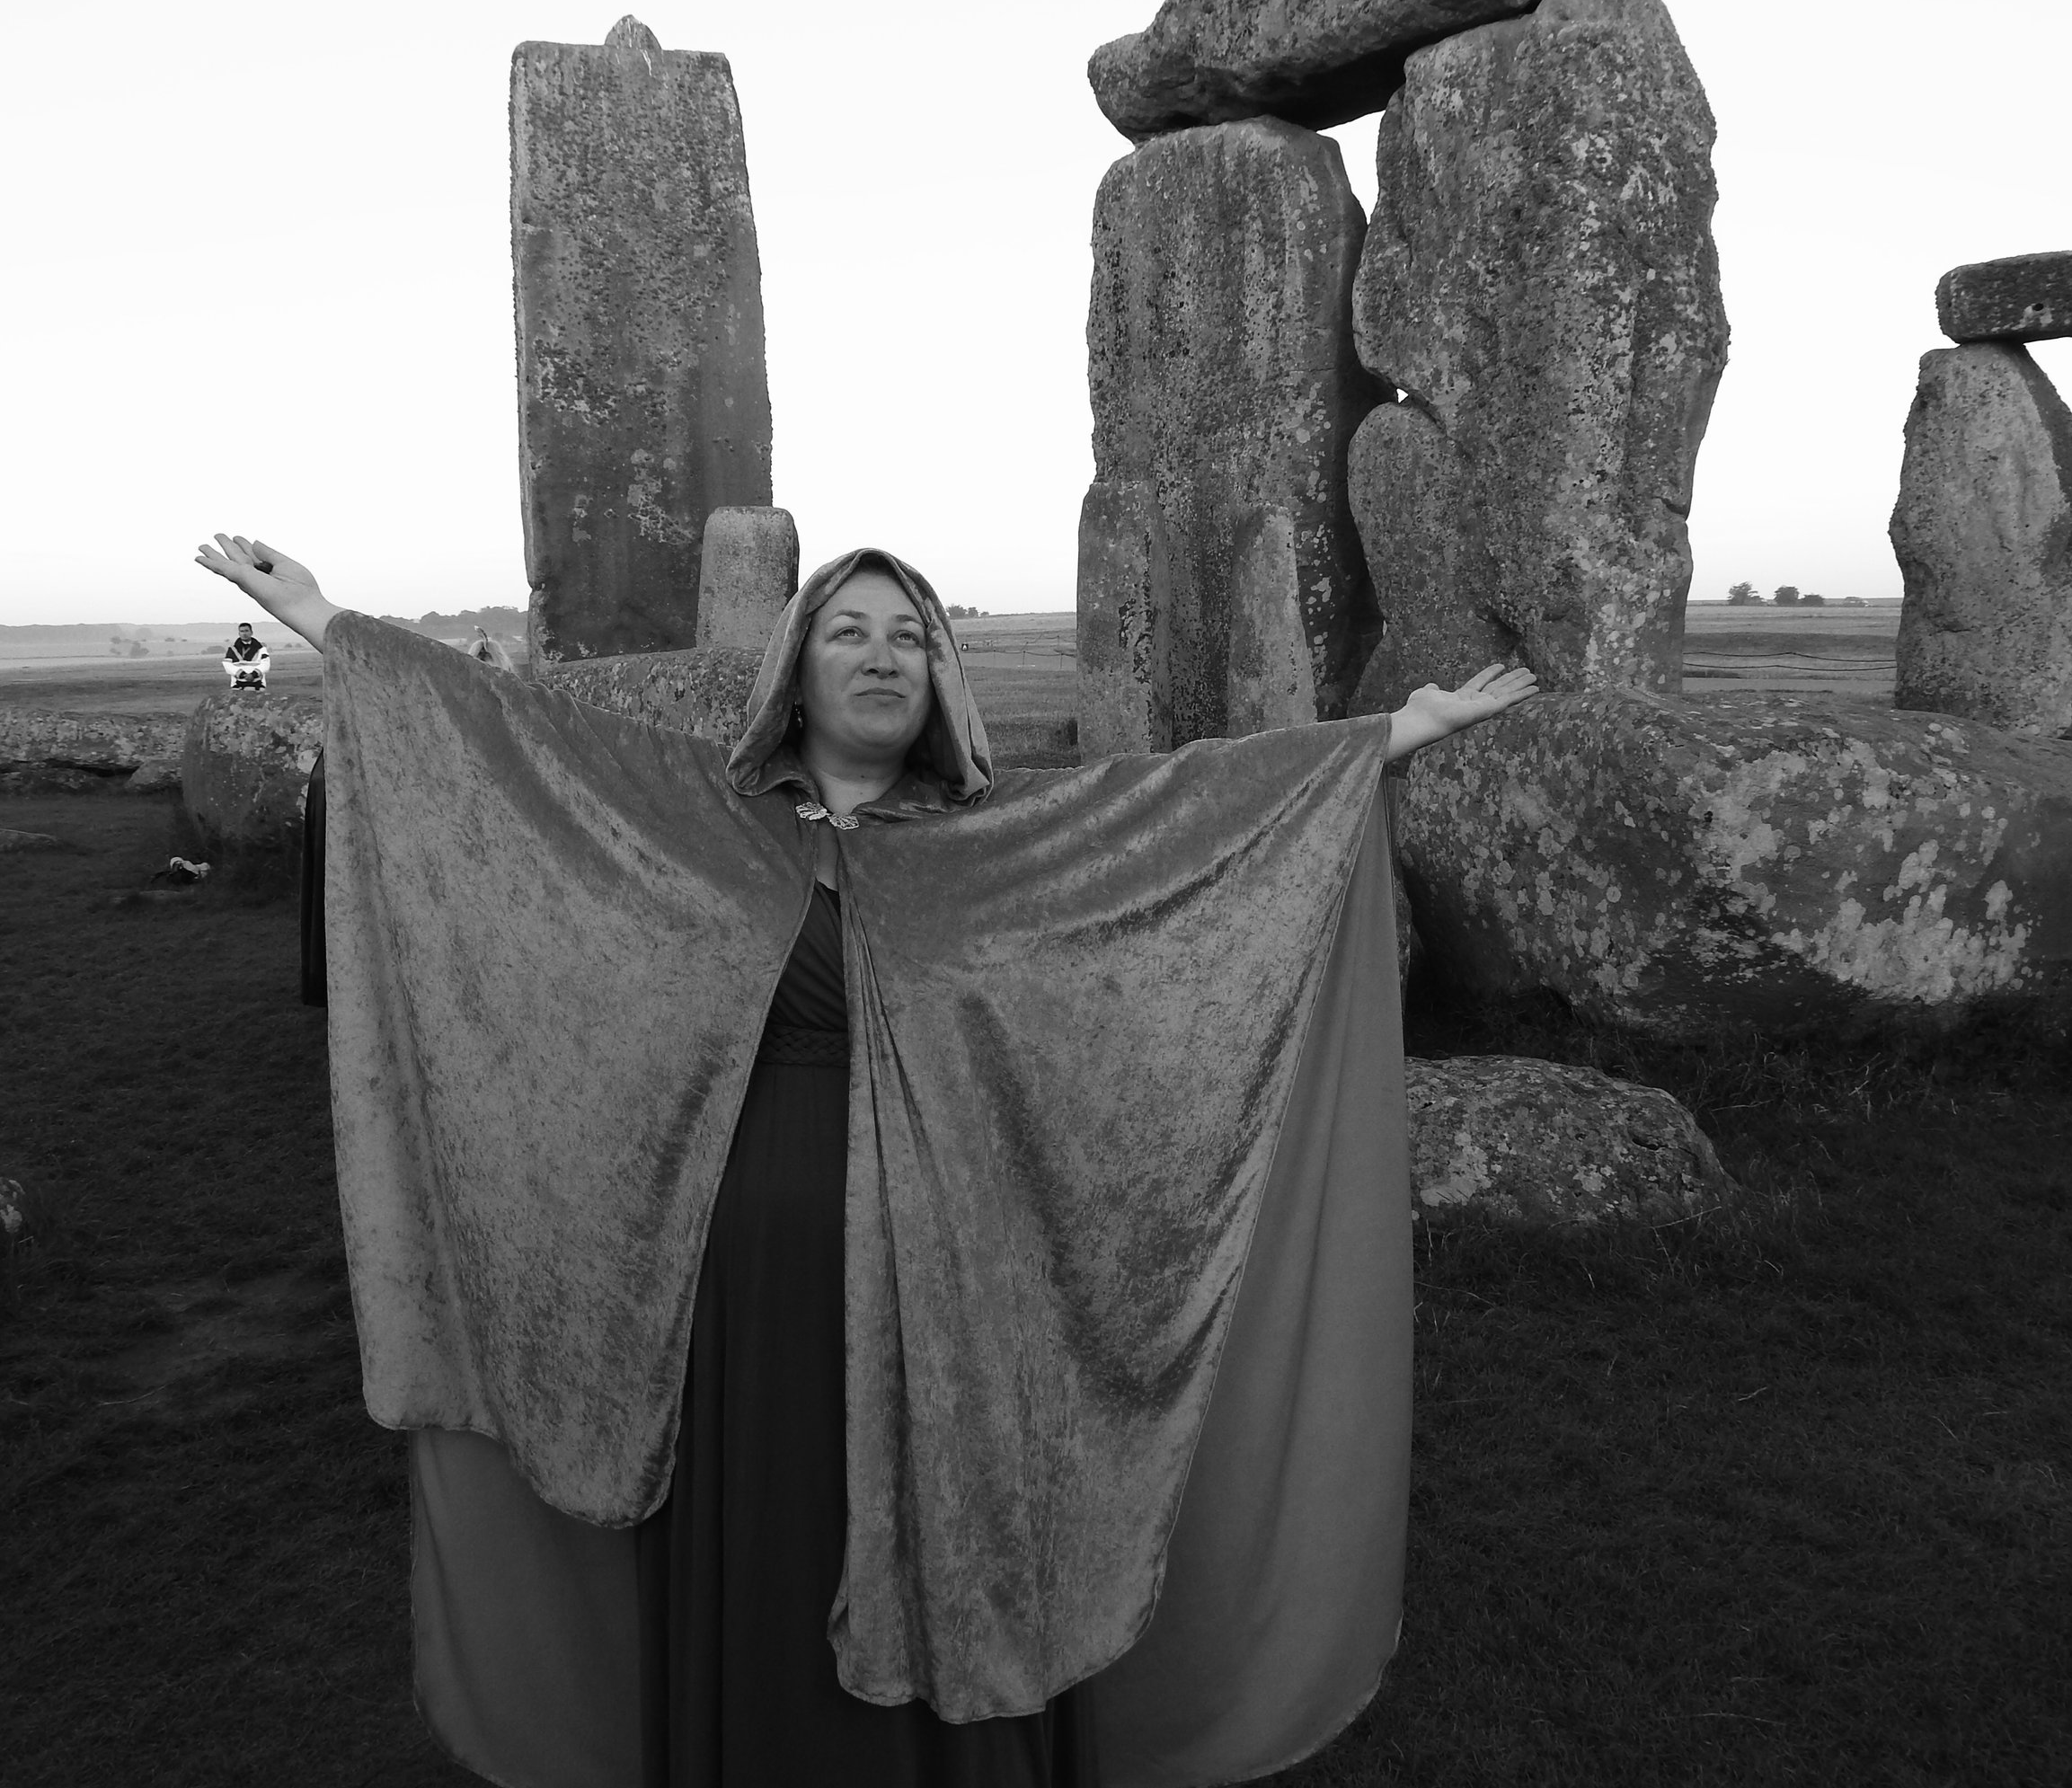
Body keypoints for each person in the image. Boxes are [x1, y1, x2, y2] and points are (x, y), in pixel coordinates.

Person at [194, 531, 1540, 1788]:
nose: (884, 655)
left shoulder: (1000, 842)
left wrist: (1388, 737)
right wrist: (321, 623)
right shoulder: (696, 815)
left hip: (960, 1273)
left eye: (912, 634)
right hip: (752, 1285)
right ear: (799, 664)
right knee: (771, 1541)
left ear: (942, 675)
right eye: (852, 632)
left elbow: (1187, 820)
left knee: (961, 1534)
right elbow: (517, 756)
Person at [221, 619, 270, 688]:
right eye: (242, 631)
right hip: (237, 685)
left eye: (246, 631)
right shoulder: (232, 649)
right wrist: (242, 674)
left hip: (258, 685)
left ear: (251, 633)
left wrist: (253, 674)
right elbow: (227, 665)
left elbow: (266, 664)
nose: (244, 633)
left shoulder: (261, 648)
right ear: (239, 633)